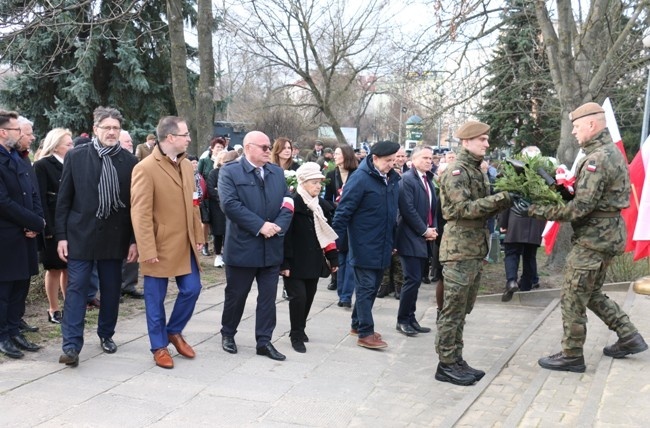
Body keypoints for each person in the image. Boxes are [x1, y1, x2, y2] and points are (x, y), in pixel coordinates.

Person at [512, 102, 648, 372]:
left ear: (591, 125)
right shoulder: (606, 152)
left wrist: (533, 209)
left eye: (576, 126)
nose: (574, 132)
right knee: (592, 292)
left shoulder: (597, 158)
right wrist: (560, 190)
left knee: (573, 295)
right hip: (606, 235)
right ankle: (629, 336)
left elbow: (580, 209)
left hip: (594, 240)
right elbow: (590, 198)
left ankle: (572, 354)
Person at [56, 106, 138, 368]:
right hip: (81, 236)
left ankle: (106, 334)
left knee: (112, 291)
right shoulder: (77, 157)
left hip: (116, 238)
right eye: (107, 128)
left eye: (116, 128)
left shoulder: (129, 162)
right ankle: (71, 345)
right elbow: (64, 200)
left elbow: (136, 205)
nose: (112, 132)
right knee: (77, 289)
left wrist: (134, 240)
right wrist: (61, 236)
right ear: (96, 129)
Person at [435, 121, 513, 386]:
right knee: (452, 309)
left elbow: (484, 208)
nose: (487, 143)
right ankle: (445, 364)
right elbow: (462, 210)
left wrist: (505, 198)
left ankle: (456, 359)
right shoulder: (457, 171)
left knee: (463, 308)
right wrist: (502, 198)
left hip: (473, 248)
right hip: (458, 249)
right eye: (482, 139)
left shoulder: (476, 171)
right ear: (466, 142)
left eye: (487, 139)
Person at [130, 115, 204, 369]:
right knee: (155, 298)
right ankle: (159, 346)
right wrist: (146, 248)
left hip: (185, 243)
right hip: (159, 246)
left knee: (192, 289)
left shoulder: (185, 165)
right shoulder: (145, 168)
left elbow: (193, 204)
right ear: (171, 137)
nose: (189, 138)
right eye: (185, 135)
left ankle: (173, 330)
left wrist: (199, 235)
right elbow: (139, 213)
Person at [218, 130, 294, 361]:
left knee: (268, 299)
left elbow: (288, 203)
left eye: (269, 147)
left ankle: (264, 341)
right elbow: (230, 205)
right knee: (237, 295)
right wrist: (260, 225)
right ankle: (228, 333)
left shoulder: (276, 173)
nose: (268, 151)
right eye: (264, 147)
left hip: (270, 248)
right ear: (249, 147)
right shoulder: (229, 172)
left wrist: (278, 227)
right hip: (243, 247)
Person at [332, 141, 401, 349]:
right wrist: (333, 243)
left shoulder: (390, 179)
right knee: (366, 287)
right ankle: (365, 332)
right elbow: (343, 212)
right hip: (363, 243)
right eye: (388, 160)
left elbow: (391, 214)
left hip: (383, 243)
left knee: (371, 287)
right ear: (375, 159)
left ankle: (357, 323)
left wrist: (393, 241)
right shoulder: (361, 179)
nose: (392, 164)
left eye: (394, 160)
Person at [0, 110, 45, 359]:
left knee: (21, 287)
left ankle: (15, 329)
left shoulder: (18, 158)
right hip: (6, 236)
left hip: (25, 235)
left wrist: (36, 223)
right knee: (4, 290)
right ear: (3, 132)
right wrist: (34, 220)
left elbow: (32, 192)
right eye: (17, 129)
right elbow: (3, 202)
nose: (22, 134)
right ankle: (3, 335)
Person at [281, 162, 338, 353]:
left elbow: (326, 234)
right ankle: (295, 335)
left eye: (320, 182)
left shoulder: (320, 206)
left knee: (309, 298)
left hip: (313, 261)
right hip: (295, 262)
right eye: (314, 182)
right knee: (298, 298)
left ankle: (301, 328)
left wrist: (333, 258)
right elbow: (285, 237)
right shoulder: (292, 204)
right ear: (303, 183)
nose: (318, 186)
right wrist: (284, 263)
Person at [395, 146, 438, 336]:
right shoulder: (407, 179)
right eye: (425, 158)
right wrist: (424, 230)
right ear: (413, 160)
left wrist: (433, 229)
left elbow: (432, 208)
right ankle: (402, 319)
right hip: (410, 236)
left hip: (425, 236)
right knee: (411, 279)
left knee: (417, 279)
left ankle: (411, 319)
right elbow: (408, 210)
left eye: (431, 158)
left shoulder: (428, 180)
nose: (430, 161)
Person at [34, 128, 74, 323]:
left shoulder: (71, 163)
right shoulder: (42, 165)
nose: (72, 146)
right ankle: (53, 309)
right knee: (54, 268)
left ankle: (70, 306)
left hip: (71, 224)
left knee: (69, 267)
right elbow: (40, 198)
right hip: (52, 224)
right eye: (69, 144)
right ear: (56, 145)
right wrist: (47, 229)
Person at [324, 145, 358, 299]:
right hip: (337, 220)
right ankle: (341, 293)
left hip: (354, 221)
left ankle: (346, 296)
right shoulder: (331, 175)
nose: (334, 156)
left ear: (346, 155)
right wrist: (336, 206)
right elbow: (325, 200)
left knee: (351, 258)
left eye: (337, 153)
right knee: (341, 257)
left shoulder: (357, 175)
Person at [119, 130, 143, 300]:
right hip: (118, 214)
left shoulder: (134, 162)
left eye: (130, 141)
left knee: (133, 249)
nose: (130, 143)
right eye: (127, 141)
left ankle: (129, 284)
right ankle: (117, 286)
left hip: (133, 210)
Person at [207, 150, 238, 268]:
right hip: (217, 207)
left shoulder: (233, 173)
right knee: (218, 232)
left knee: (229, 231)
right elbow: (211, 189)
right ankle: (218, 255)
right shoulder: (214, 173)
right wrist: (223, 196)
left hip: (230, 207)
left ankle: (228, 254)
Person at [197, 137, 226, 256]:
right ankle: (205, 244)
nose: (219, 149)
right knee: (206, 222)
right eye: (217, 147)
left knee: (220, 225)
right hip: (208, 195)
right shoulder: (205, 161)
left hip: (218, 196)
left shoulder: (227, 161)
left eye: (221, 147)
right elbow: (200, 175)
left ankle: (219, 247)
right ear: (212, 148)